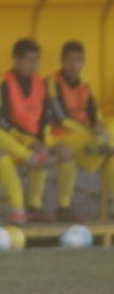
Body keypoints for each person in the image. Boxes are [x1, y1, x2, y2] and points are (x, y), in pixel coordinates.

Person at [0, 38, 77, 223]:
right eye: (29, 59)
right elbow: (0, 120)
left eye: (36, 59)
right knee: (40, 151)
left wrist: (42, 140)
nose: (34, 64)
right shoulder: (2, 82)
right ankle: (34, 206)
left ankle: (64, 207)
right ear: (16, 60)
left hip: (38, 138)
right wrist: (29, 141)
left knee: (65, 152)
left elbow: (47, 116)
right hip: (12, 140)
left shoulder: (41, 82)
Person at [47, 41, 113, 217]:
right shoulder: (52, 83)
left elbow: (96, 117)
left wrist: (99, 127)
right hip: (59, 136)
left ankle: (109, 209)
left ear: (83, 62)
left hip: (85, 138)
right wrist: (91, 131)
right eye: (69, 60)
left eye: (77, 60)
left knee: (110, 146)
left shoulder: (86, 86)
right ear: (62, 61)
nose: (73, 65)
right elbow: (61, 118)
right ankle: (64, 207)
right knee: (100, 146)